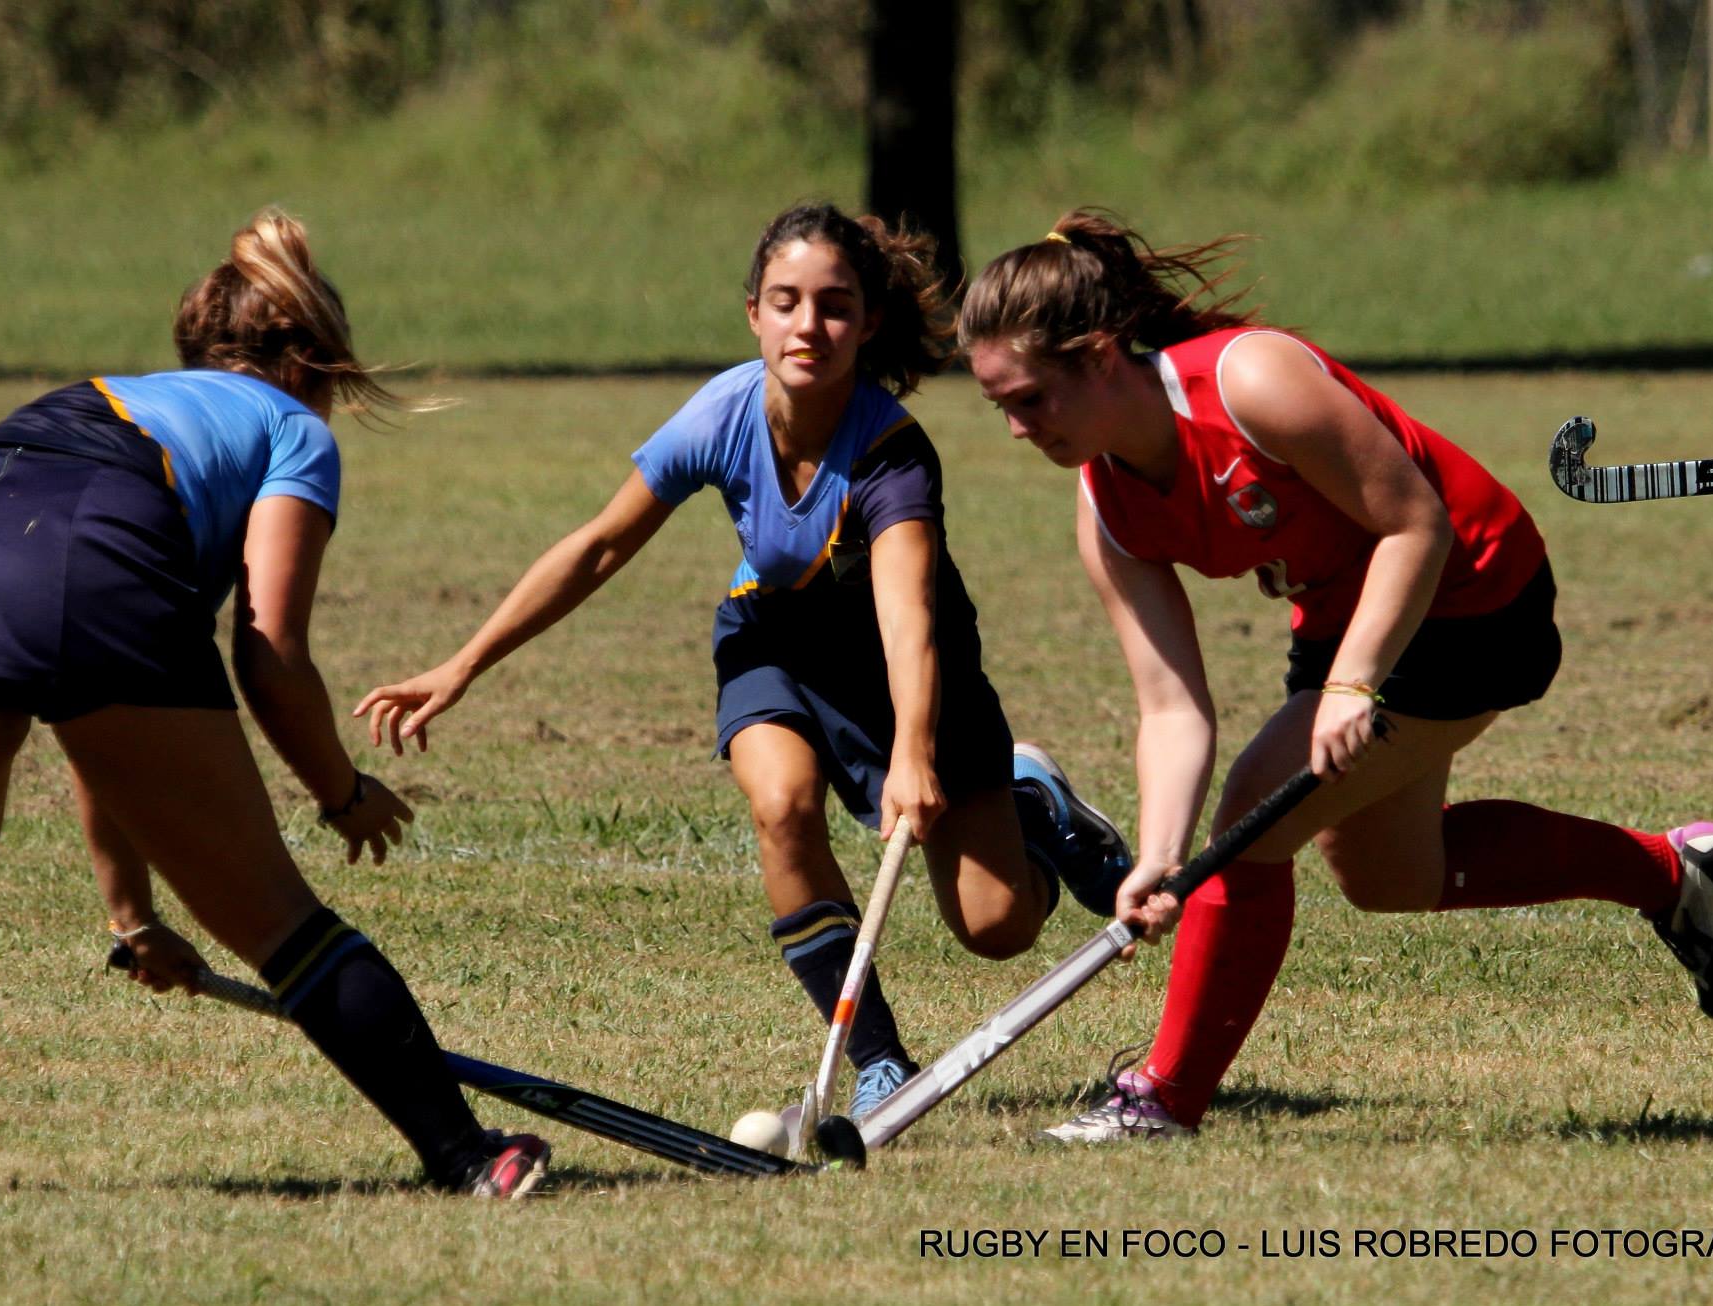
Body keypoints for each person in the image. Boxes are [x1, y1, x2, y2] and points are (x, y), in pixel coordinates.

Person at [957, 210, 1713, 1143]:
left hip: (1472, 594)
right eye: (998, 405)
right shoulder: (1109, 511)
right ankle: (1674, 872)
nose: (1014, 429)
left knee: (1255, 818)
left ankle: (1162, 1097)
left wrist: (1351, 684)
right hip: (1348, 622)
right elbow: (1170, 706)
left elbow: (1416, 523)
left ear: (1096, 356)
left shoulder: (1250, 382)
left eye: (1029, 399)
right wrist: (1161, 856)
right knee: (1387, 873)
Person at [0, 209, 548, 1199]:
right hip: (89, 554)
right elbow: (270, 651)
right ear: (312, 363)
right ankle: (468, 1157)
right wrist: (341, 792)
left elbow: (101, 721)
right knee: (277, 916)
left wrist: (133, 916)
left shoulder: (110, 397)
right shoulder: (292, 426)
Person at [355, 202, 1132, 1120]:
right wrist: (464, 665)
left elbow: (907, 618)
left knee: (998, 929)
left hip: (910, 670)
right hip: (774, 644)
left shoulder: (892, 456)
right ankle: (879, 1060)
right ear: (754, 314)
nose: (811, 326)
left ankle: (1032, 800)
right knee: (782, 806)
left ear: (869, 321)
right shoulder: (721, 412)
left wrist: (915, 753)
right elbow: (600, 545)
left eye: (836, 305)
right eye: (787, 302)